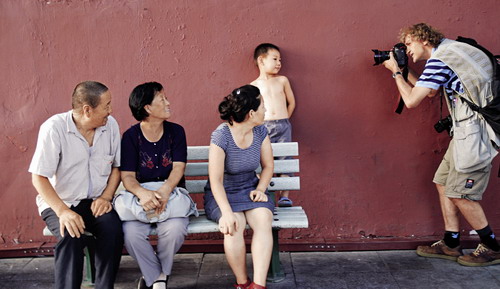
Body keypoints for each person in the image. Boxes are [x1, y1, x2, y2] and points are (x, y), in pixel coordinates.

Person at [382, 23, 500, 266]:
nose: (407, 50)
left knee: (461, 193)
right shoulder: (448, 53)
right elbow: (431, 92)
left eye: (408, 44)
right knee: (444, 183)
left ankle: (492, 246)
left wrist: (395, 72)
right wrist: (405, 70)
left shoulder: (441, 59)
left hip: (476, 133)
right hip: (465, 131)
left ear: (422, 39)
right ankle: (451, 242)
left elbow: (412, 101)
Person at [29, 81, 124, 289]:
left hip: (96, 201)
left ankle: (104, 286)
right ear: (87, 110)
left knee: (113, 229)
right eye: (106, 105)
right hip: (61, 202)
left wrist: (106, 197)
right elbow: (39, 177)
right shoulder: (54, 128)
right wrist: (63, 211)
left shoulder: (111, 126)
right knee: (71, 236)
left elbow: (117, 167)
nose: (111, 110)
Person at [204, 85, 274, 289]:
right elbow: (215, 180)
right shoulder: (221, 136)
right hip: (223, 193)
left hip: (250, 187)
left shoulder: (260, 130)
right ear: (252, 113)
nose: (265, 111)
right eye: (263, 107)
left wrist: (261, 189)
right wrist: (226, 212)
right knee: (234, 224)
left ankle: (258, 286)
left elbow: (268, 166)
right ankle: (242, 283)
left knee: (263, 219)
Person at [120, 82, 189, 289]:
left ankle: (155, 278)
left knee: (175, 230)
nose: (168, 103)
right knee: (131, 234)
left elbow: (178, 168)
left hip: (171, 194)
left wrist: (164, 191)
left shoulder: (176, 132)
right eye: (162, 99)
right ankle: (158, 277)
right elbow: (128, 177)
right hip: (141, 199)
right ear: (148, 108)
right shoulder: (131, 137)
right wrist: (143, 194)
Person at [251, 43, 296, 207]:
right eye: (275, 59)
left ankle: (284, 196)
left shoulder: (282, 80)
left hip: (283, 125)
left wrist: (284, 120)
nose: (279, 63)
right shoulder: (254, 86)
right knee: (263, 160)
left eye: (280, 60)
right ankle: (264, 192)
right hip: (263, 127)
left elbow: (291, 103)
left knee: (285, 158)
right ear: (261, 60)